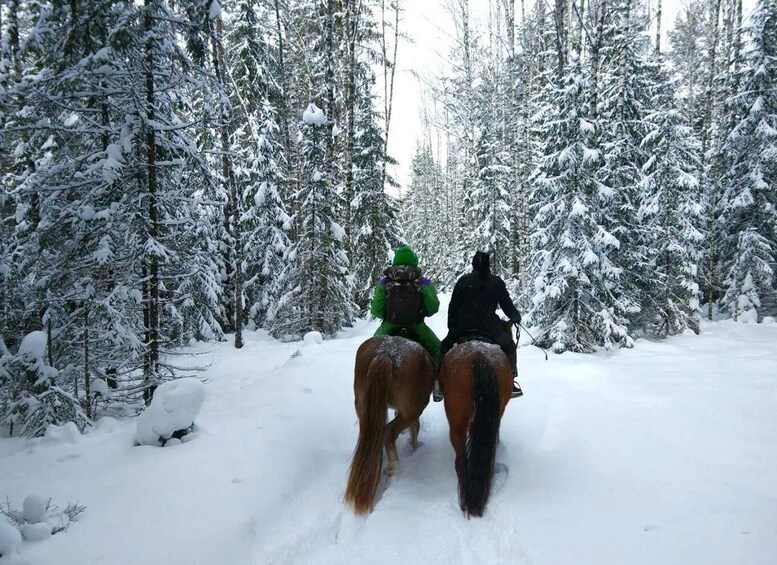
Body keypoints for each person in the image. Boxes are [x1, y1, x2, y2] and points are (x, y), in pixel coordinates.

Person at [440, 251, 523, 399]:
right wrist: (516, 317)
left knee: (444, 346)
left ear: (473, 264)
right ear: (488, 265)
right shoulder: (496, 282)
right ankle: (510, 381)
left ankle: (439, 381)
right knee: (509, 346)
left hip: (463, 326)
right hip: (490, 327)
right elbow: (507, 306)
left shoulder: (463, 281)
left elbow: (453, 307)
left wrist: (452, 327)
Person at [370, 245, 442, 396]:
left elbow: (376, 310)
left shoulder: (385, 282)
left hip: (389, 326)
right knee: (438, 350)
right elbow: (433, 307)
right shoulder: (423, 282)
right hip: (416, 327)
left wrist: (388, 316)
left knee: (370, 352)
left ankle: (369, 386)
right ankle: (437, 385)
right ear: (414, 262)